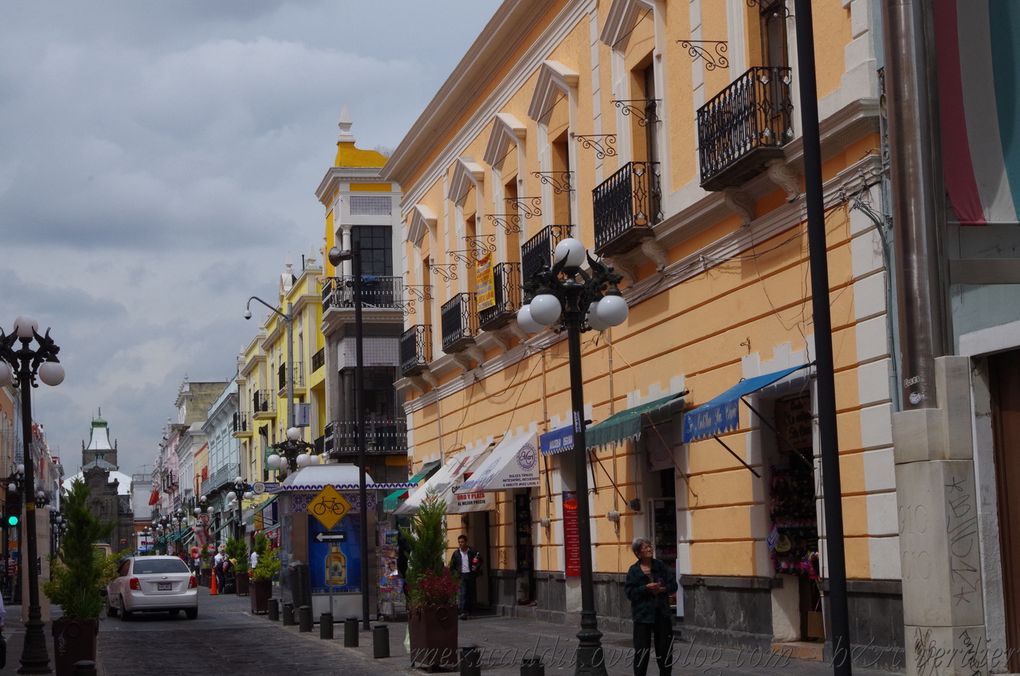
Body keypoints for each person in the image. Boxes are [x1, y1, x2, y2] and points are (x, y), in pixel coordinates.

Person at [624, 538, 677, 676]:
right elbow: (630, 593)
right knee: (642, 651)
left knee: (664, 650)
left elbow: (673, 585)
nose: (650, 549)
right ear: (638, 552)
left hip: (662, 614)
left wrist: (662, 590)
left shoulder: (660, 566)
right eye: (646, 547)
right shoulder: (634, 570)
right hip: (642, 616)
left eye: (650, 546)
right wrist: (645, 588)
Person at [448, 534, 482, 620]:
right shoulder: (456, 553)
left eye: (462, 542)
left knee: (470, 593)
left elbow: (480, 560)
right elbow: (452, 565)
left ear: (466, 542)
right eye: (459, 542)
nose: (460, 543)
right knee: (462, 593)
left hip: (470, 574)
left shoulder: (472, 552)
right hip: (461, 575)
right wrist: (454, 574)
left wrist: (476, 566)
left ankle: (469, 611)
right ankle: (462, 611)